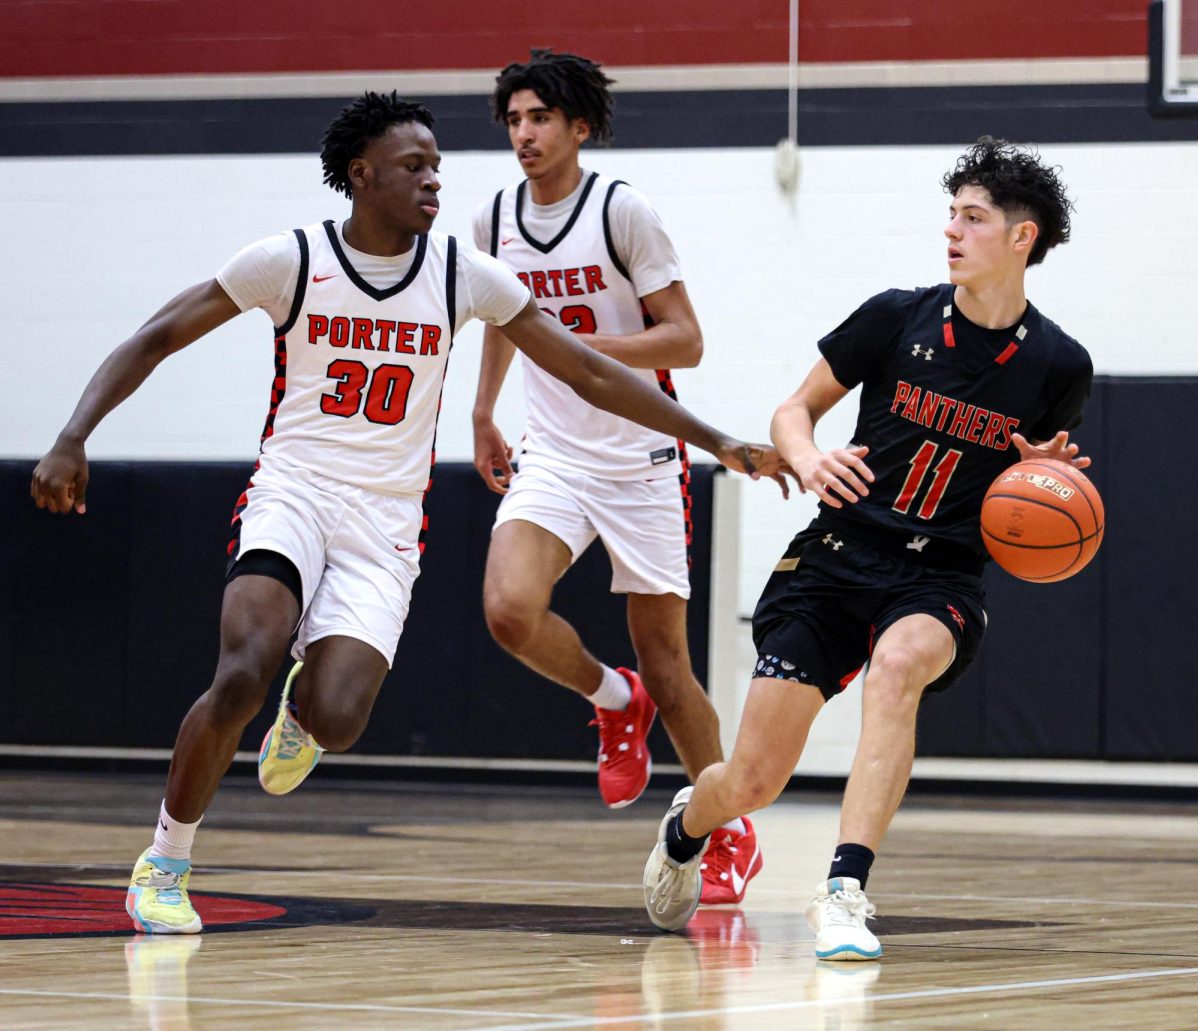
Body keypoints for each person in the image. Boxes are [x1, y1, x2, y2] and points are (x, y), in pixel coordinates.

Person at [29, 91, 783, 935]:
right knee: (244, 662)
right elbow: (157, 335)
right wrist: (72, 433)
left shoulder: (463, 270)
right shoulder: (292, 258)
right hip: (294, 492)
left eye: (437, 166)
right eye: (413, 166)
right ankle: (165, 863)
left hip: (385, 526)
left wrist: (721, 439)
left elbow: (588, 371)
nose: (433, 180)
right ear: (362, 175)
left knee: (339, 718)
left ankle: (305, 713)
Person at [642, 137, 1094, 958]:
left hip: (941, 574)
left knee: (896, 672)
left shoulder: (1060, 364)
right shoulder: (896, 315)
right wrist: (809, 457)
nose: (952, 231)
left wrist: (1039, 482)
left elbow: (1031, 489)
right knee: (753, 780)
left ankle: (844, 891)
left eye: (973, 217)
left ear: (1021, 239)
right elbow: (793, 409)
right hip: (839, 554)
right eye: (950, 214)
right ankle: (687, 824)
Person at [470, 50, 775, 905]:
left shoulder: (621, 211)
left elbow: (685, 339)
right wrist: (484, 409)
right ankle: (611, 699)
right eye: (514, 120)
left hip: (641, 453)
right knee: (507, 610)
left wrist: (587, 353)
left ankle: (728, 827)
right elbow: (501, 318)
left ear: (579, 127)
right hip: (555, 452)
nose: (524, 134)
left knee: (670, 662)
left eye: (540, 118)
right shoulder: (493, 215)